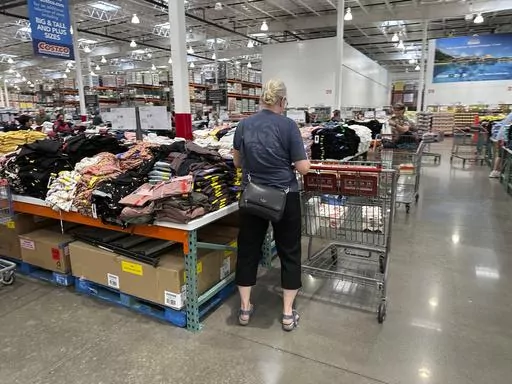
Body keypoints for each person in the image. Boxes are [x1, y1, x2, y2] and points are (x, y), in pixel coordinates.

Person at [232, 79, 311, 332]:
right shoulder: (289, 126)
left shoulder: (244, 125)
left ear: (261, 99)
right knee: (289, 251)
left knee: (248, 251)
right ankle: (287, 314)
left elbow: (237, 162)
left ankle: (245, 308)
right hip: (284, 197)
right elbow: (303, 168)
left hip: (252, 197)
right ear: (283, 101)